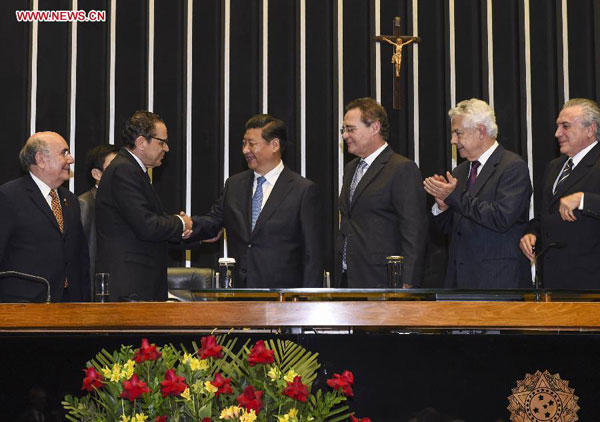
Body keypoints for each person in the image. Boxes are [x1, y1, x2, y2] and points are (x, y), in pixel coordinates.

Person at [190, 114, 323, 288]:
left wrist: (309, 303)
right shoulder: (234, 185)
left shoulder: (302, 190)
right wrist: (186, 225)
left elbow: (312, 254)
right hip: (241, 293)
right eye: (243, 143)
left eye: (252, 144)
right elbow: (213, 222)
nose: (245, 150)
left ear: (274, 145)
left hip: (284, 298)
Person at [424, 98, 532, 289]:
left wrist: (454, 196)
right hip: (459, 281)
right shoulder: (460, 172)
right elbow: (448, 231)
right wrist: (442, 206)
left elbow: (501, 218)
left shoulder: (513, 167)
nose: (453, 141)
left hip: (497, 282)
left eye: (458, 133)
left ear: (481, 131)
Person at [95, 111, 192, 301]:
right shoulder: (124, 170)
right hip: (130, 286)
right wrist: (181, 223)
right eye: (161, 142)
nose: (167, 148)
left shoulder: (132, 170)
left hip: (137, 285)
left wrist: (191, 231)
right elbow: (147, 225)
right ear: (141, 142)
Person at [336, 97, 427, 288]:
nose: (345, 135)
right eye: (344, 130)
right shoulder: (351, 168)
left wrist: (407, 281)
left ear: (375, 127)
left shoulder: (401, 168)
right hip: (348, 278)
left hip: (384, 280)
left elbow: (414, 231)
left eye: (351, 129)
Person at [520, 98, 600, 289]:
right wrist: (532, 233)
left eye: (565, 126)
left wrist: (583, 200)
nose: (557, 134)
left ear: (590, 129)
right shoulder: (554, 167)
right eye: (557, 127)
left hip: (591, 283)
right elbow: (545, 215)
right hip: (553, 281)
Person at [0, 132, 89, 302]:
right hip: (24, 306)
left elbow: (81, 258)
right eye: (64, 152)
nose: (70, 159)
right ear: (40, 159)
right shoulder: (8, 197)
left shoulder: (70, 200)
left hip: (70, 306)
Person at [78, 144, 118, 295]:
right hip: (94, 292)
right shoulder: (85, 203)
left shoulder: (125, 203)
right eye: (114, 167)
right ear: (97, 174)